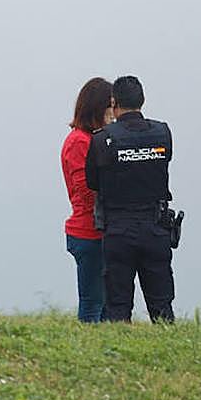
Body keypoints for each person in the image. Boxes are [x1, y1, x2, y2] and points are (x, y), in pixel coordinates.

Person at [84, 75, 175, 323]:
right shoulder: (162, 133)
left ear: (114, 103)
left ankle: (121, 354)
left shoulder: (102, 139)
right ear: (142, 100)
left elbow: (92, 182)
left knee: (118, 305)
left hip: (118, 229)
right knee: (162, 304)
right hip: (155, 227)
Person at [61, 77, 113, 323]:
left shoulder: (92, 139)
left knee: (105, 305)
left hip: (100, 231)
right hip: (87, 231)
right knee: (93, 303)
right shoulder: (79, 142)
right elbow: (85, 190)